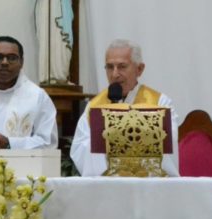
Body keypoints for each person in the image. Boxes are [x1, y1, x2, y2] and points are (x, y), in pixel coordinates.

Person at [70, 39, 179, 176]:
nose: (115, 74)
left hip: (147, 184)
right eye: (110, 67)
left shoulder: (160, 103)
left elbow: (168, 143)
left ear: (139, 69)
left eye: (122, 66)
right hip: (108, 185)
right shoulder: (94, 107)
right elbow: (80, 147)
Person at [0, 36, 58, 176]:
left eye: (12, 57)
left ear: (21, 62)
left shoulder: (38, 97)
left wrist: (10, 144)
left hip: (20, 184)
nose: (4, 62)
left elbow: (49, 144)